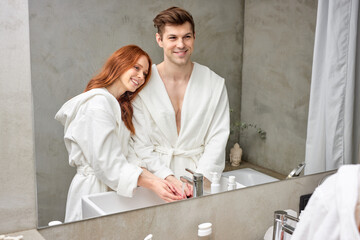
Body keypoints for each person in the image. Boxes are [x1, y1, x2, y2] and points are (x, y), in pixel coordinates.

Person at [55, 45, 185, 223]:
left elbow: (129, 156)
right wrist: (154, 184)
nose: (141, 76)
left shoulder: (119, 107)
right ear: (119, 64)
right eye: (136, 68)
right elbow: (107, 163)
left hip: (112, 191)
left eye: (145, 73)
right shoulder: (97, 104)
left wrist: (165, 180)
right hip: (93, 189)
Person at [130, 7, 230, 188]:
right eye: (172, 38)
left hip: (199, 179)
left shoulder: (214, 84)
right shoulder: (142, 85)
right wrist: (166, 179)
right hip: (156, 181)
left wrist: (199, 181)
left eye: (187, 36)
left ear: (194, 37)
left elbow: (218, 138)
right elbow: (141, 145)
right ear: (159, 40)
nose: (181, 44)